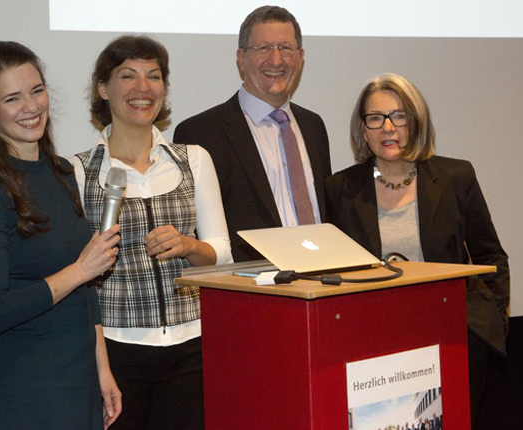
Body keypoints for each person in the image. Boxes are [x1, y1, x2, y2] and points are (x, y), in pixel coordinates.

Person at [326, 73, 509, 429]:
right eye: (375, 118)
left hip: (455, 337)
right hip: (374, 344)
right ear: (363, 130)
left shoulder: (456, 176)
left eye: (399, 116)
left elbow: (491, 257)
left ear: (415, 122)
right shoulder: (340, 188)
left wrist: (495, 322)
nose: (388, 128)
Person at [0, 41, 122, 429]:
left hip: (76, 383)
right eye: (12, 98)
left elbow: (85, 294)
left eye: (37, 90)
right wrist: (80, 270)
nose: (31, 107)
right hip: (23, 393)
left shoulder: (61, 172)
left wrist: (103, 370)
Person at [69, 36, 232, 430]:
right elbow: (79, 278)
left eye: (154, 76)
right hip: (117, 349)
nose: (144, 88)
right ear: (103, 89)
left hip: (192, 346)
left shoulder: (193, 159)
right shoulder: (76, 171)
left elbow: (223, 253)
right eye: (128, 76)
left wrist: (189, 246)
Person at [174, 5, 331, 262]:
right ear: (241, 58)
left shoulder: (314, 127)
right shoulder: (200, 133)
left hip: (321, 283)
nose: (277, 60)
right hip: (249, 291)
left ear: (300, 57)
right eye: (264, 48)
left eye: (286, 48)